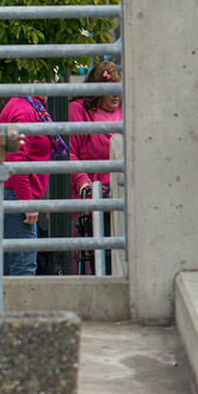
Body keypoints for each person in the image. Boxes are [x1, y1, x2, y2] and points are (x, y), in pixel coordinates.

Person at [0, 91, 65, 276]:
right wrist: (27, 202)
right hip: (16, 195)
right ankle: (19, 306)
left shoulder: (16, 104)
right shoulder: (26, 112)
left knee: (8, 265)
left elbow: (5, 156)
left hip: (9, 192)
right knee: (23, 267)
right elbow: (15, 162)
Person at [68, 60, 123, 274]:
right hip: (92, 196)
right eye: (109, 90)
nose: (115, 95)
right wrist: (82, 181)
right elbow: (70, 152)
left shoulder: (126, 110)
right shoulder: (78, 110)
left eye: (118, 89)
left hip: (120, 194)